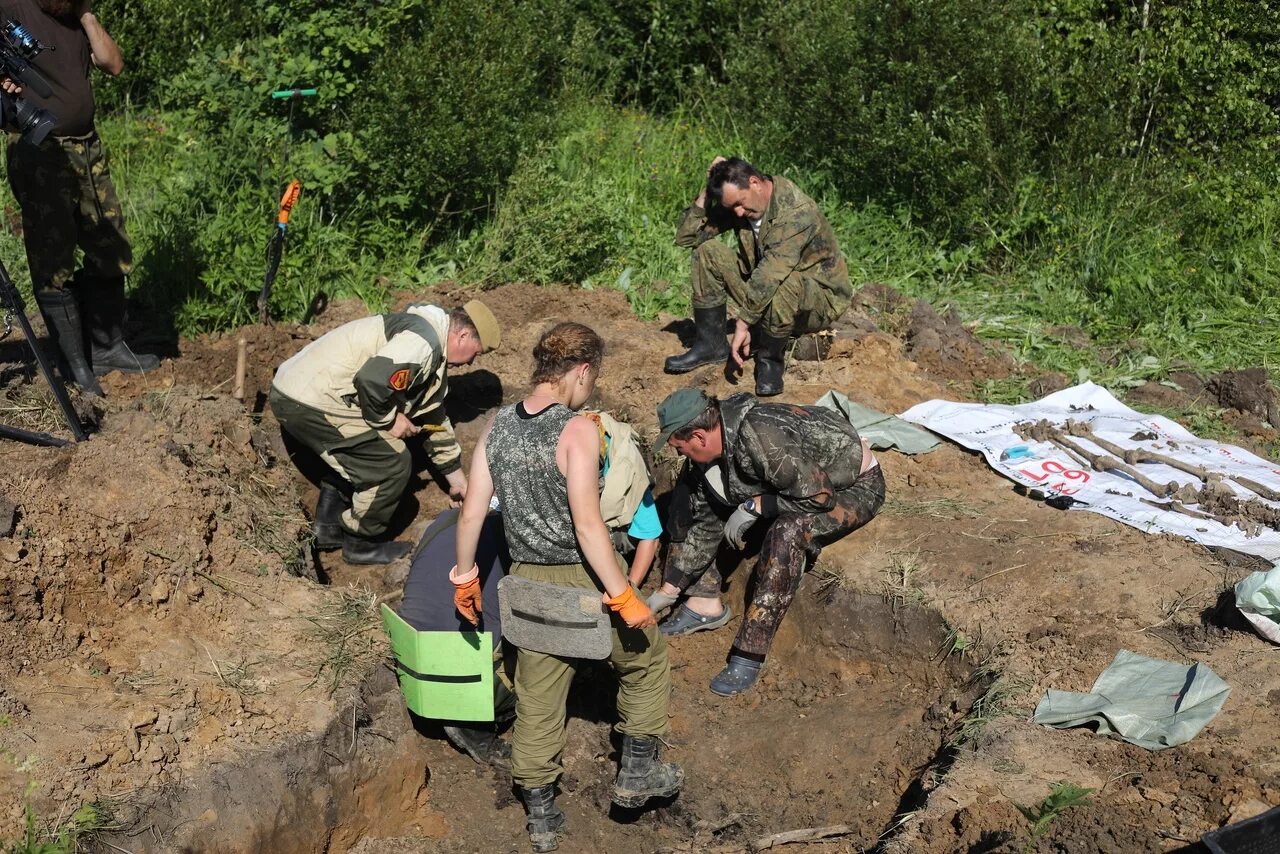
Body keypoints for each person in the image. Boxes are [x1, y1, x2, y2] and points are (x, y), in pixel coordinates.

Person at [453, 322, 681, 853]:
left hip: (526, 581)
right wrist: (624, 594)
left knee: (537, 695)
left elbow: (472, 512)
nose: (591, 390)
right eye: (592, 380)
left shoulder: (498, 425)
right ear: (581, 371)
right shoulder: (577, 430)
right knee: (646, 660)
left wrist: (465, 577)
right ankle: (637, 776)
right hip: (582, 576)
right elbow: (588, 526)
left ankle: (542, 818)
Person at [648, 388, 885, 697]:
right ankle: (703, 603)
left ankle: (750, 653)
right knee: (698, 494)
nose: (680, 454)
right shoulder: (714, 450)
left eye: (681, 447)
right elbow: (705, 524)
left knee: (787, 532)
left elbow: (820, 497)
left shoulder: (761, 436)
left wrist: (758, 507)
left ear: (699, 437)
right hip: (795, 485)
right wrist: (670, 589)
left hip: (851, 488)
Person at [1, 0, 159, 396]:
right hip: (41, 151)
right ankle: (74, 367)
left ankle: (108, 348)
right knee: (54, 258)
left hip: (88, 146)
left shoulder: (75, 14)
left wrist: (86, 13)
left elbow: (113, 64)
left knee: (110, 242)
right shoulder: (12, 6)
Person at [269, 299, 500, 565]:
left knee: (366, 448)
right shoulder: (423, 343)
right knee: (392, 462)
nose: (471, 362)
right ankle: (360, 542)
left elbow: (433, 416)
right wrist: (390, 420)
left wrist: (457, 481)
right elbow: (372, 380)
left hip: (299, 391)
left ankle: (328, 526)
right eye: (476, 353)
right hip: (310, 400)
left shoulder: (429, 343)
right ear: (462, 335)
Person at [664, 156, 852, 397]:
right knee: (706, 252)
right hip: (766, 290)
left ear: (755, 182)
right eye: (733, 207)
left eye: (740, 203)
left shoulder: (796, 211)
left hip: (816, 302)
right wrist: (709, 189)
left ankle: (770, 361)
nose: (739, 213)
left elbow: (772, 273)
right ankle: (710, 345)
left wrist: (743, 323)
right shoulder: (741, 204)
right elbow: (687, 238)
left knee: (784, 282)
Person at [398, 507, 515, 767]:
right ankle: (471, 724)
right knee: (546, 669)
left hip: (409, 663)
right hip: (460, 682)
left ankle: (457, 706)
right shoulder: (515, 535)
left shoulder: (442, 520)